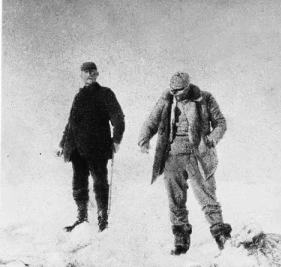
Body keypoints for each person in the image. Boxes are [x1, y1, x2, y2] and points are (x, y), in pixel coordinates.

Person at [138, 72, 232, 255]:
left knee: (207, 198)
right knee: (175, 200)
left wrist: (212, 138)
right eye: (172, 90)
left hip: (198, 157)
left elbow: (221, 122)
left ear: (188, 87)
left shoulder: (204, 98)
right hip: (172, 157)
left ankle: (222, 238)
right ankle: (181, 239)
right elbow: (152, 120)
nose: (175, 93)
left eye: (179, 90)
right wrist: (144, 139)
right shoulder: (166, 99)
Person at [57, 62, 125, 232]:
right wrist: (62, 144)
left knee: (100, 183)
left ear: (97, 74)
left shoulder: (105, 93)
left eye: (92, 72)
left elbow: (118, 118)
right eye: (86, 72)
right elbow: (71, 123)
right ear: (81, 75)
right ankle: (81, 219)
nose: (89, 75)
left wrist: (116, 140)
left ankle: (102, 221)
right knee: (79, 184)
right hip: (76, 148)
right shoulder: (78, 96)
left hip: (97, 147)